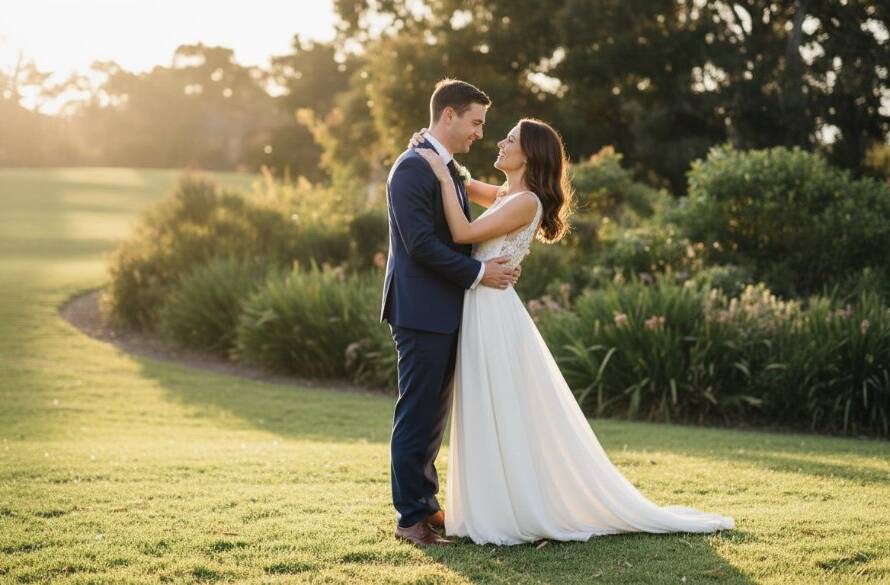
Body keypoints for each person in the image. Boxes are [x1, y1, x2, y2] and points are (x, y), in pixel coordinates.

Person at [410, 117, 736, 546]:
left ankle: (513, 507)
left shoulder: (525, 202)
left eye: (511, 139)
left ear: (530, 154)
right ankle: (490, 501)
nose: (501, 142)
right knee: (485, 404)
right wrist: (441, 158)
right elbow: (466, 188)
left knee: (499, 404)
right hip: (482, 304)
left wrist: (436, 170)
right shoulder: (510, 194)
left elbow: (463, 230)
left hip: (491, 310)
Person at [379, 79, 523, 546]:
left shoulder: (443, 165)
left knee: (432, 417)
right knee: (417, 415)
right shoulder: (411, 169)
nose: (481, 132)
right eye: (476, 122)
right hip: (420, 310)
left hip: (443, 310)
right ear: (448, 116)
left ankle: (426, 506)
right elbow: (420, 246)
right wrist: (480, 275)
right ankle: (410, 520)